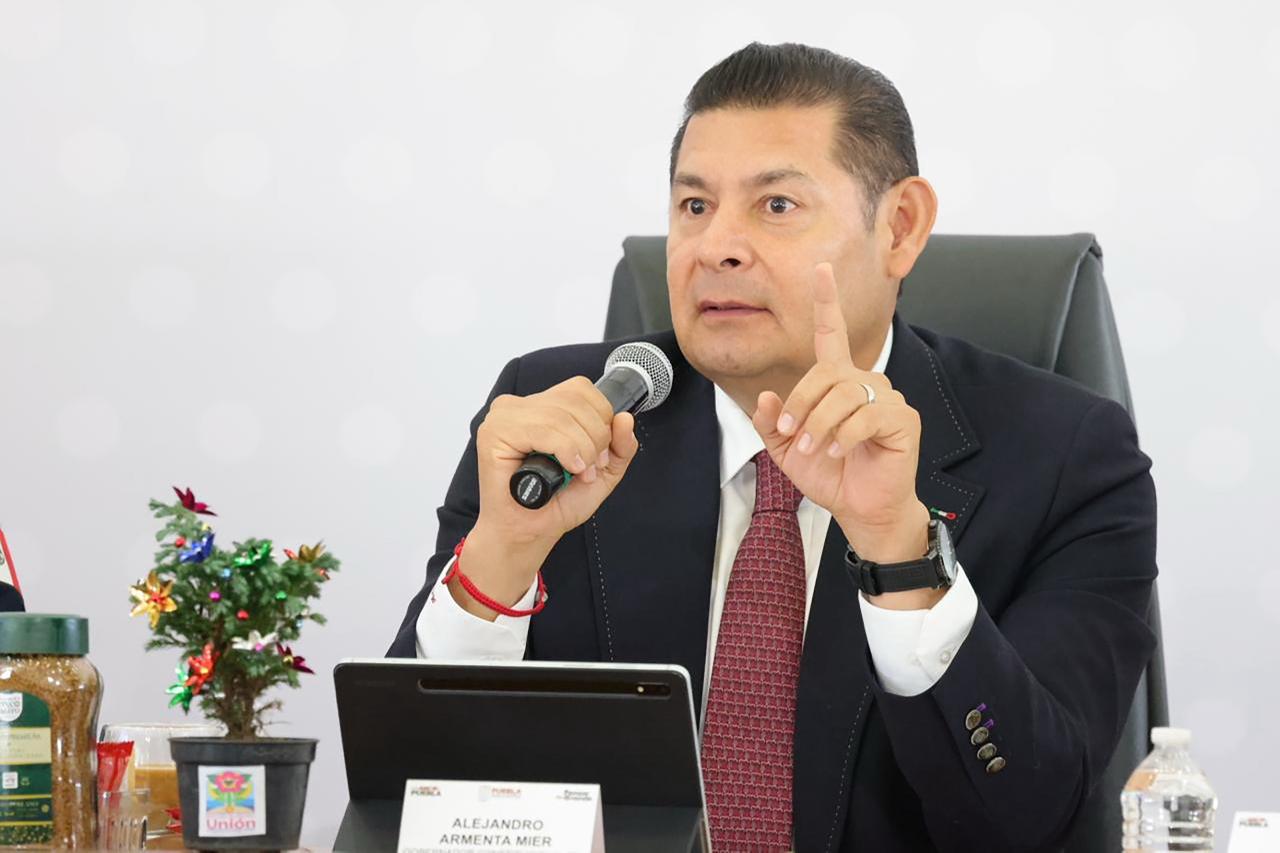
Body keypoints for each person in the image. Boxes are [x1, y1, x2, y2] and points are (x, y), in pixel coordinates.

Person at [388, 42, 1157, 853]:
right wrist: (501, 560)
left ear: (900, 227)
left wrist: (900, 552)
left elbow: (1029, 814)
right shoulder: (556, 430)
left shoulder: (1069, 458)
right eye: (694, 205)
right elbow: (404, 791)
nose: (715, 245)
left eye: (776, 205)